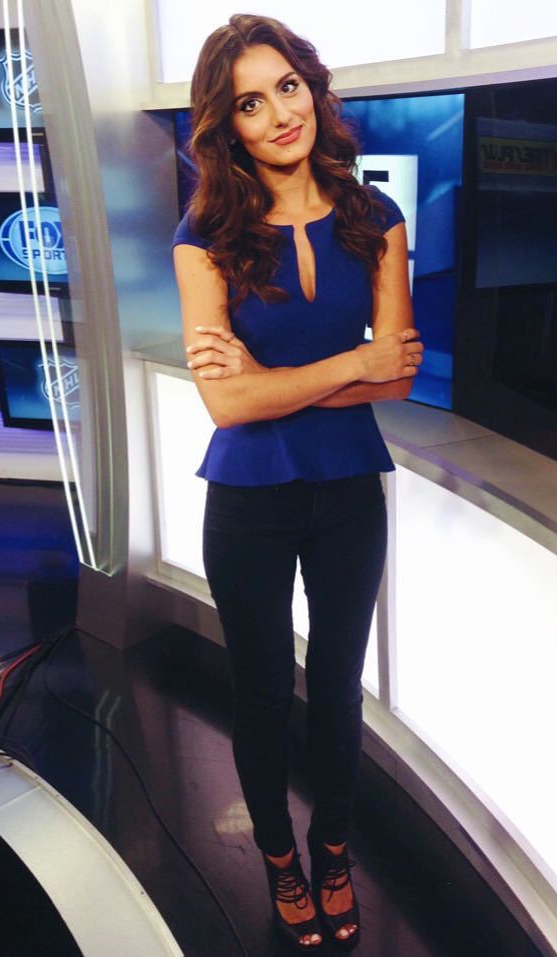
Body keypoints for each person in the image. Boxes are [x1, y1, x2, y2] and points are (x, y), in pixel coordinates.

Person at [171, 13, 422, 952]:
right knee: (262, 691)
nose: (280, 114)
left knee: (339, 689)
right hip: (247, 496)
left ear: (312, 89)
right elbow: (226, 405)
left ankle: (332, 851)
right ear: (226, 126)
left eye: (287, 87)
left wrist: (273, 379)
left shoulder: (374, 218)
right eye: (250, 102)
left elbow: (396, 376)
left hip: (350, 486)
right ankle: (280, 858)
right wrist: (347, 365)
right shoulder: (204, 234)